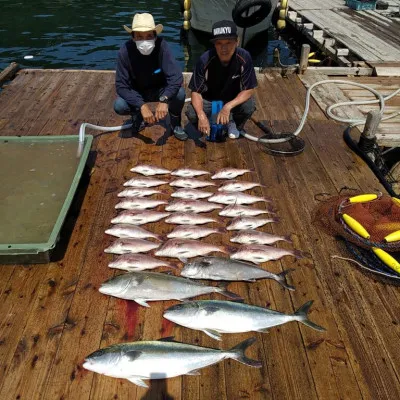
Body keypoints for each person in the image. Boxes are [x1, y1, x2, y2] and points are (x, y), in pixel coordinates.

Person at [114, 13, 187, 140]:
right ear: (132, 37)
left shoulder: (162, 46)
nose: (145, 41)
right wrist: (141, 105)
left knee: (180, 93)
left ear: (155, 35)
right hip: (138, 92)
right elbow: (121, 86)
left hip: (160, 90)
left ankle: (175, 123)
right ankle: (138, 116)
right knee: (119, 105)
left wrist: (164, 99)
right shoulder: (124, 52)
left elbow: (176, 77)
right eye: (139, 36)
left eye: (149, 36)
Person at [186, 20, 257, 139]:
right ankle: (206, 122)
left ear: (237, 42)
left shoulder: (244, 57)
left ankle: (234, 123)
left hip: (232, 101)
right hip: (209, 100)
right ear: (214, 44)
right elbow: (195, 92)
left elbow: (249, 90)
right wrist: (201, 115)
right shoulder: (204, 59)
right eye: (219, 43)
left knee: (249, 105)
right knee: (192, 113)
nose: (224, 48)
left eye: (228, 42)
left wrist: (228, 107)